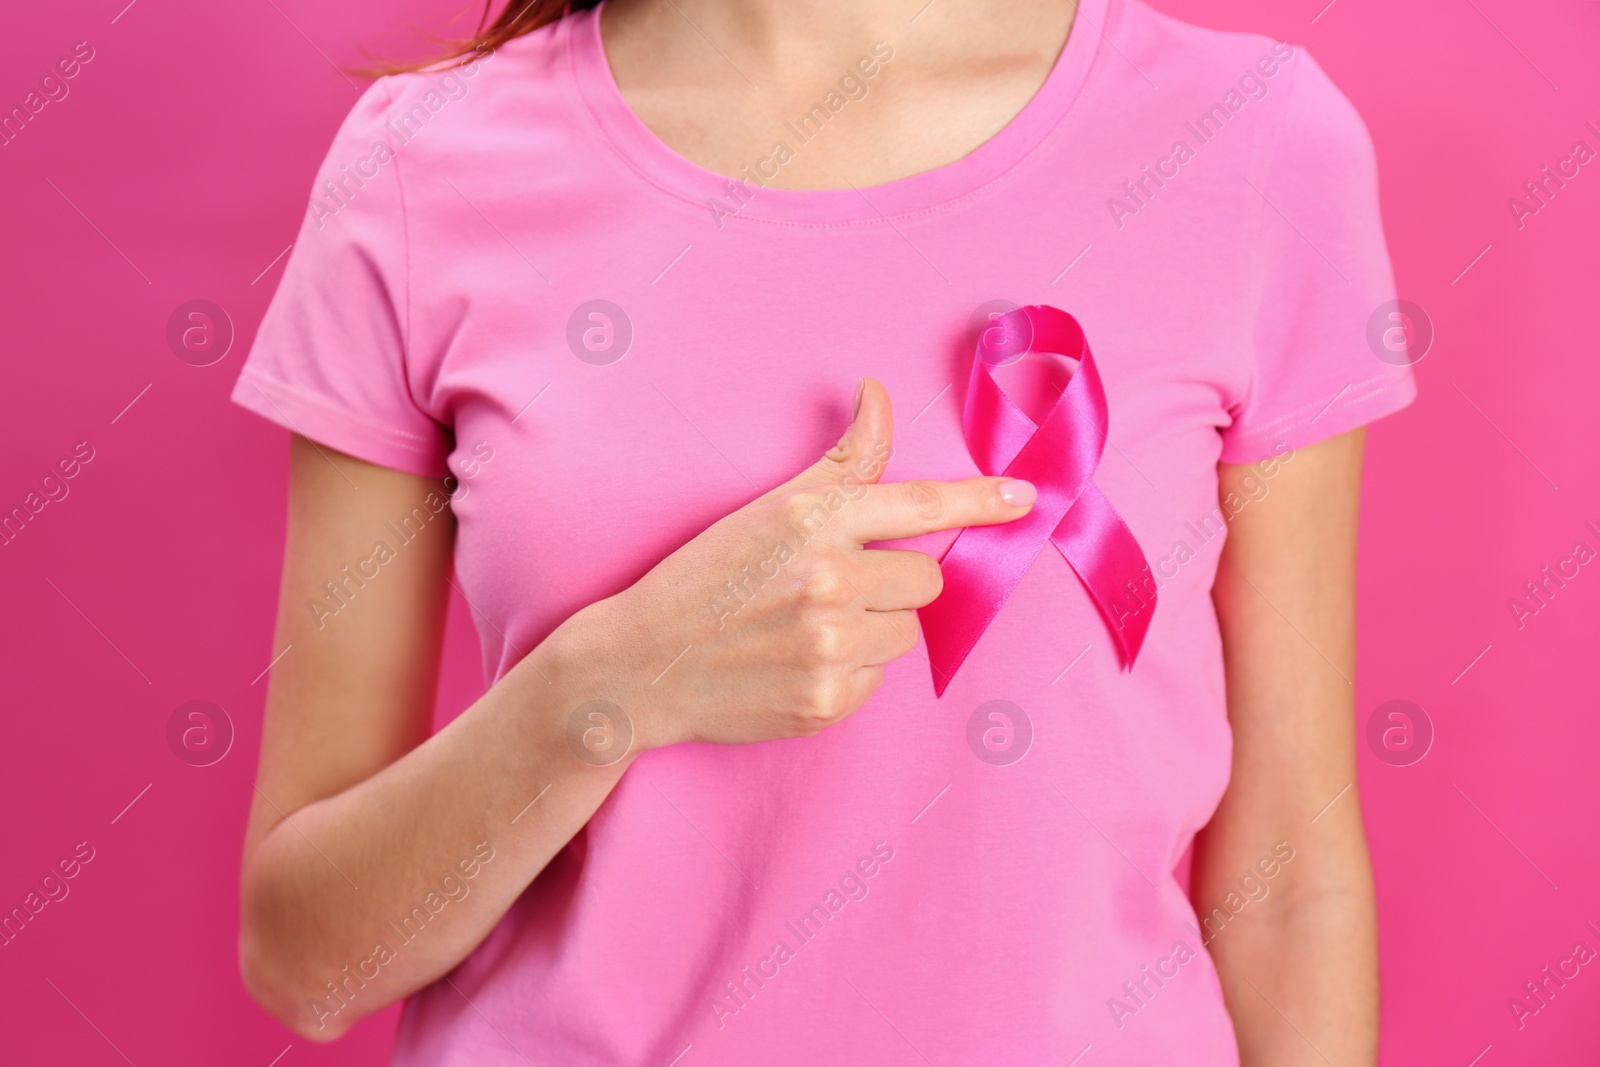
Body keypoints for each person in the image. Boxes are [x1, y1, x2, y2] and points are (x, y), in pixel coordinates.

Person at [232, 0, 1416, 1062]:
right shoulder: (420, 166)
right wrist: (611, 684)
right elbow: (306, 957)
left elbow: (1287, 884)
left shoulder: (1250, 139)